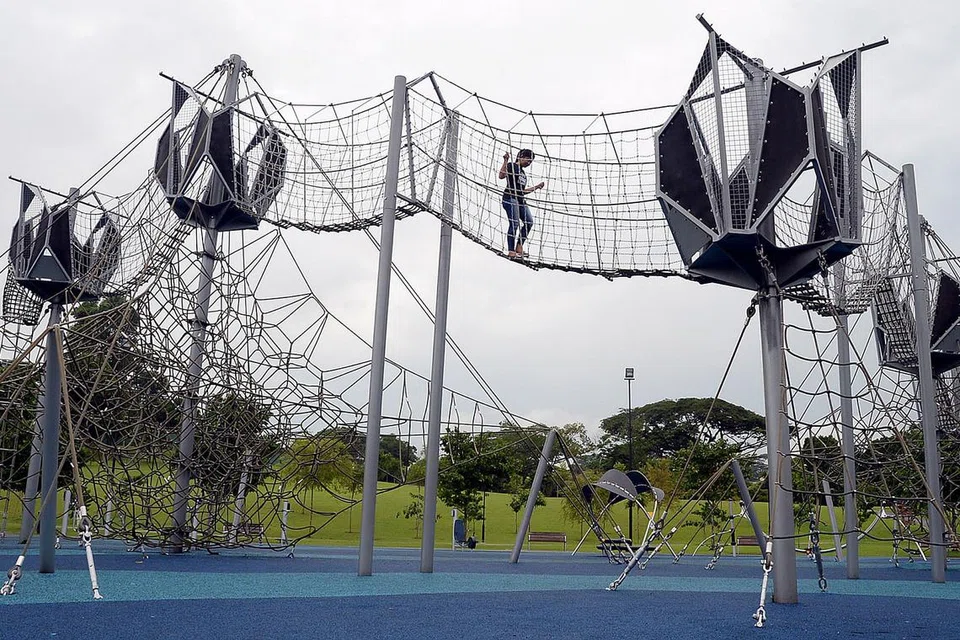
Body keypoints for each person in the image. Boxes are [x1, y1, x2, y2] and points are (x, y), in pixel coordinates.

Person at [498, 149, 544, 257]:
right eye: (528, 160)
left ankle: (519, 247)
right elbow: (501, 175)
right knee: (514, 223)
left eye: (531, 161)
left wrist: (536, 187)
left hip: (519, 199)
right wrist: (505, 160)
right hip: (510, 198)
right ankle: (511, 250)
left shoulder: (523, 173)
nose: (529, 163)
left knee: (529, 222)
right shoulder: (512, 166)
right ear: (521, 156)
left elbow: (522, 191)